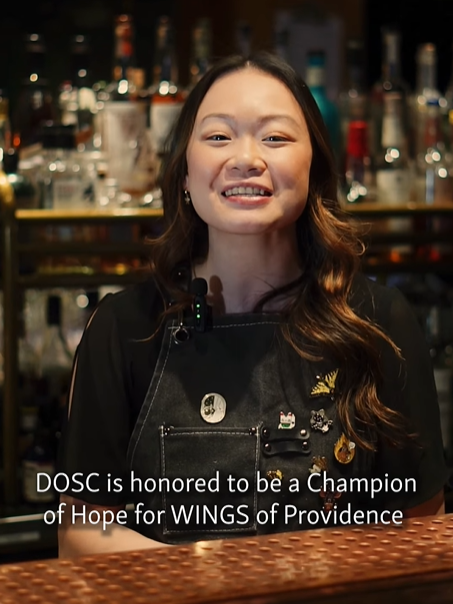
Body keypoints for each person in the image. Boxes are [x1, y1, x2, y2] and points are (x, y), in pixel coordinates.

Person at [58, 52, 448, 558]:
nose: (245, 158)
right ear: (184, 172)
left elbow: (422, 528)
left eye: (275, 138)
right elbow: (82, 532)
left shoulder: (379, 322)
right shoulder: (122, 328)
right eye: (219, 136)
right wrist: (212, 580)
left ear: (314, 168)